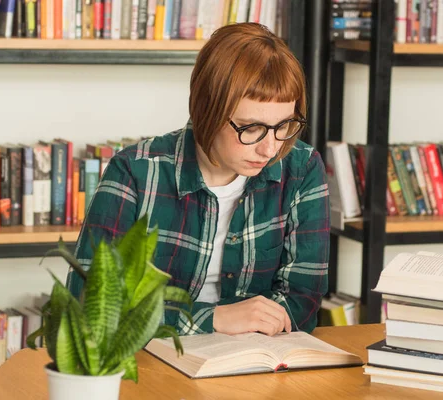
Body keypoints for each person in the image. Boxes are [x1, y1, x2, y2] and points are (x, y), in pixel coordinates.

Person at [66, 22, 330, 337]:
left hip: (260, 364)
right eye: (251, 128)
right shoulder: (135, 172)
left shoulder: (301, 168)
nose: (270, 147)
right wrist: (214, 319)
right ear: (207, 110)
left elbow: (303, 300)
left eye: (285, 125)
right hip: (151, 368)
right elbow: (89, 301)